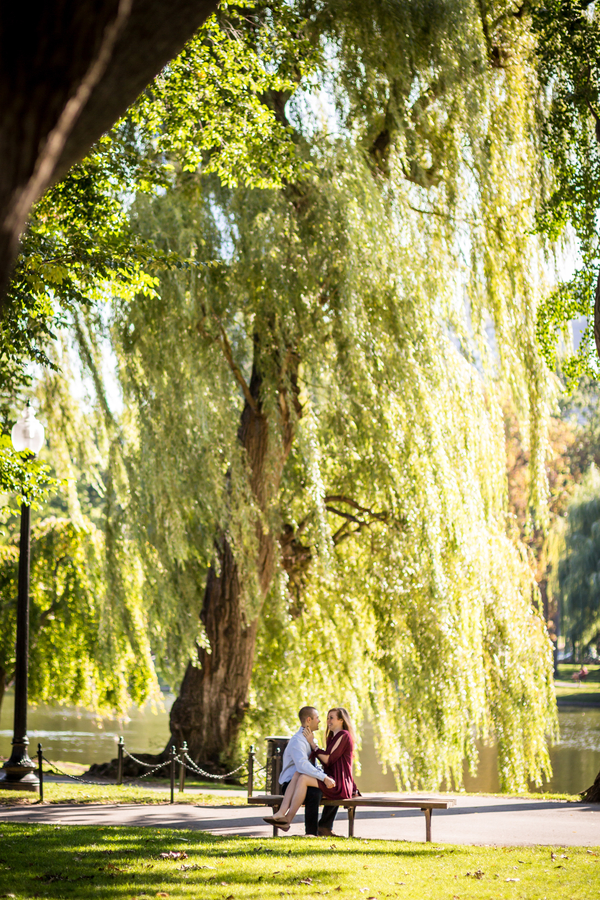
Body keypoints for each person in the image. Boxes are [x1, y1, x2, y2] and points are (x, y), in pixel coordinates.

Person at [264, 706, 359, 836]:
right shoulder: (300, 740)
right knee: (306, 781)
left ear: (341, 720)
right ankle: (299, 824)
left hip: (334, 782)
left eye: (330, 718)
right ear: (309, 720)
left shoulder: (333, 737)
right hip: (290, 784)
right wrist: (324, 777)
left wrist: (324, 775)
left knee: (311, 785)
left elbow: (327, 760)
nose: (323, 721)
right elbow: (304, 765)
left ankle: (300, 823)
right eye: (321, 718)